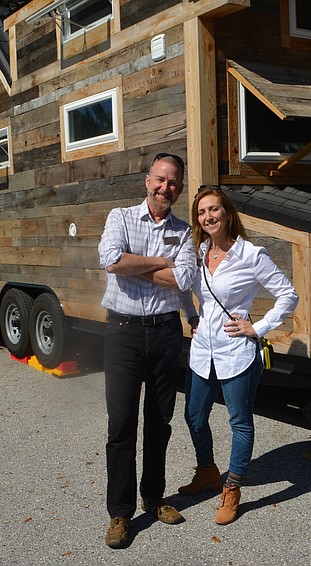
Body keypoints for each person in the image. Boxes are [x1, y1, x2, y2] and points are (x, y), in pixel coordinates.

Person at [178, 187, 298, 525]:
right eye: (202, 212)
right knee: (194, 416)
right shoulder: (199, 252)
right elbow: (183, 287)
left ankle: (232, 488)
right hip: (203, 351)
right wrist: (192, 316)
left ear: (228, 214)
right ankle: (206, 470)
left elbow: (288, 294)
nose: (208, 217)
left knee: (239, 422)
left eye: (214, 209)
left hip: (237, 352)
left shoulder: (251, 254)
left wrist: (257, 328)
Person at [97, 153, 199, 549]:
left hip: (165, 333)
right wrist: (161, 261)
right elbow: (110, 260)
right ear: (147, 180)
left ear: (179, 187)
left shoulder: (185, 231)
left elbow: (185, 276)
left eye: (173, 183)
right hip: (122, 333)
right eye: (160, 180)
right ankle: (120, 512)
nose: (165, 188)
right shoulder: (120, 217)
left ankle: (154, 498)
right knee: (121, 425)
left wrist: (133, 263)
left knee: (160, 422)